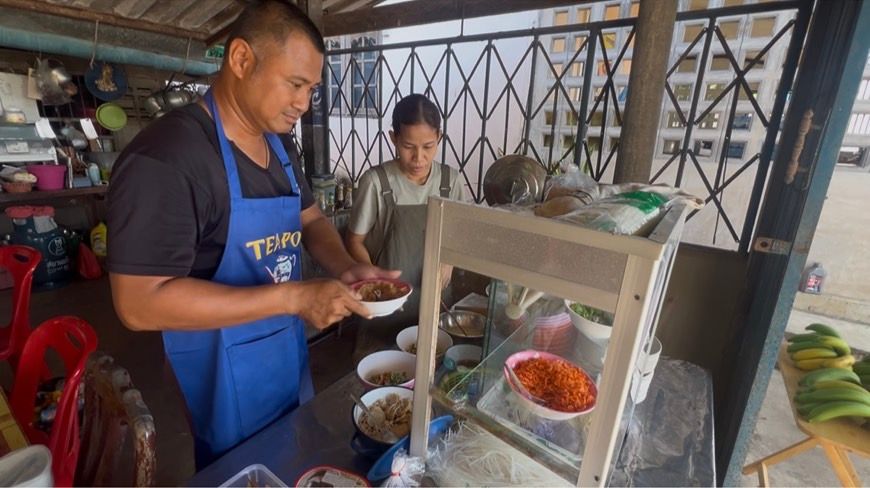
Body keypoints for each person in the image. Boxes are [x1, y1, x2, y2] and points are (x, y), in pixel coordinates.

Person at [107, 0, 395, 467]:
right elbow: (138, 303)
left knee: (294, 454)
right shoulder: (169, 157)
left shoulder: (279, 145)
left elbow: (311, 220)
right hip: (221, 370)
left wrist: (348, 269)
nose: (304, 103)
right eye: (295, 84)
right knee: (243, 471)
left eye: (312, 89)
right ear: (241, 59)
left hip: (282, 351)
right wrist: (295, 299)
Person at [345, 94, 465, 355]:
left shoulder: (450, 181)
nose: (419, 158)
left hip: (435, 303)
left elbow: (460, 234)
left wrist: (450, 262)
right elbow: (354, 241)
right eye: (408, 146)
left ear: (439, 139)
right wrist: (378, 281)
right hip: (385, 304)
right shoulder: (376, 183)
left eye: (428, 147)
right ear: (394, 138)